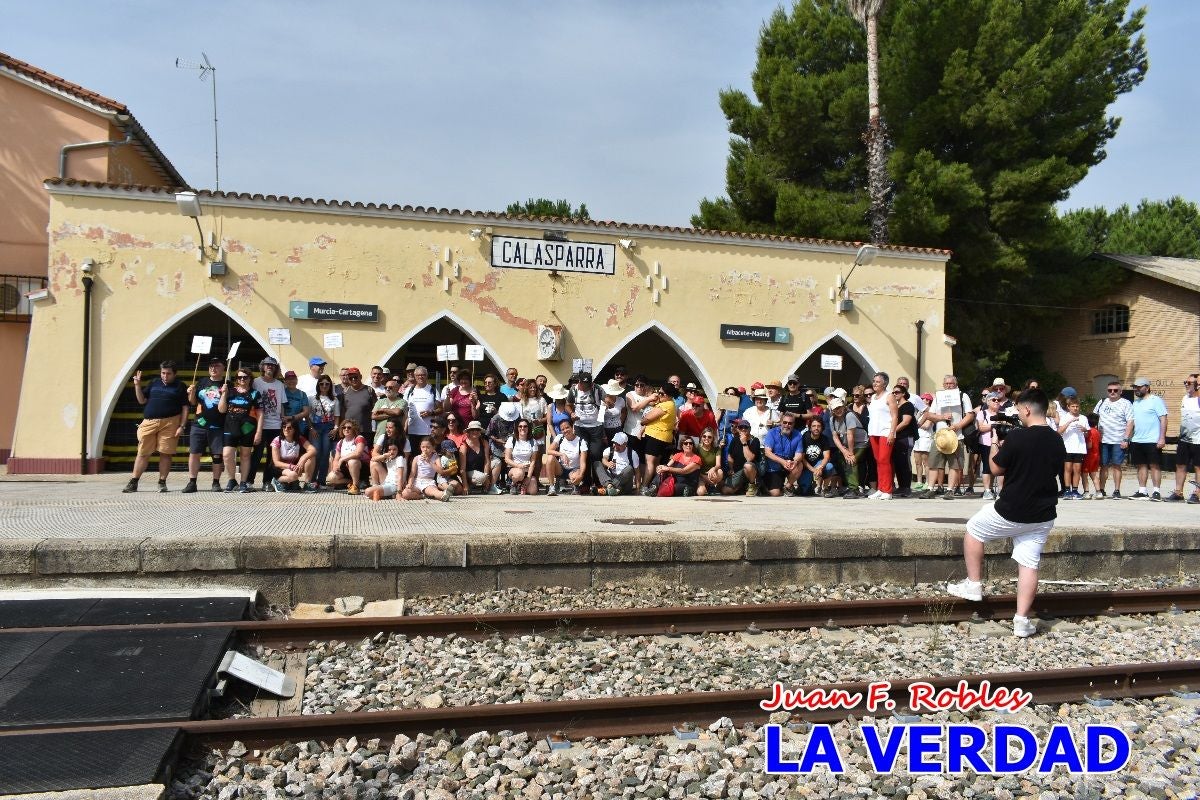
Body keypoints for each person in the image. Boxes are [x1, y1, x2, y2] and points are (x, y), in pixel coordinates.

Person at [947, 388, 1066, 638]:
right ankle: (1022, 621)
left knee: (974, 530)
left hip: (1012, 508)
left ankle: (973, 584)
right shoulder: (1057, 439)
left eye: (1019, 410)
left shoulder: (1019, 437)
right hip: (1043, 513)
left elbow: (996, 468)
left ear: (1026, 409)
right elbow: (1054, 469)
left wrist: (993, 445)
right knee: (1029, 563)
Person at [123, 360, 190, 493]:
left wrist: (182, 426)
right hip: (149, 422)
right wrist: (137, 385)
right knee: (143, 453)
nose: (165, 376)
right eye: (163, 373)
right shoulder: (153, 383)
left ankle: (162, 482)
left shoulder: (180, 386)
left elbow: (185, 407)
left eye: (168, 374)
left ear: (174, 374)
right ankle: (134, 482)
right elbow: (142, 400)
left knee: (166, 453)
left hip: (171, 422)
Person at [919, 374, 974, 499]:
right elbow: (930, 415)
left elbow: (970, 415)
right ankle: (930, 489)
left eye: (951, 384)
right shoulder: (939, 397)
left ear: (956, 384)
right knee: (933, 463)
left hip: (956, 436)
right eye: (946, 384)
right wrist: (942, 417)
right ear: (943, 385)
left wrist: (958, 426)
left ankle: (950, 490)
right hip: (940, 436)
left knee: (954, 465)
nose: (949, 386)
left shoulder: (962, 395)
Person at [184, 357, 226, 493]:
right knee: (194, 453)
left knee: (217, 455)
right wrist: (191, 393)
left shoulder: (227, 384)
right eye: (211, 366)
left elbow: (223, 409)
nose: (213, 368)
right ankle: (192, 482)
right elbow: (193, 402)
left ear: (223, 368)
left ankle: (216, 482)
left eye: (217, 366)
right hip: (199, 424)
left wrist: (225, 394)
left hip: (218, 425)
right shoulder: (202, 381)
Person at [217, 367, 262, 493]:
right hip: (230, 426)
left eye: (245, 377)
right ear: (236, 379)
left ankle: (243, 482)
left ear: (250, 379)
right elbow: (221, 410)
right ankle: (232, 480)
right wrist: (224, 394)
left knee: (245, 455)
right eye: (239, 377)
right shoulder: (230, 391)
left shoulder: (254, 393)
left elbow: (260, 414)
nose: (242, 379)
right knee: (226, 455)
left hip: (248, 428)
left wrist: (259, 431)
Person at [249, 357, 287, 491]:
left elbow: (281, 404)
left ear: (275, 368)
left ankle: (267, 482)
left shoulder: (280, 384)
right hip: (260, 425)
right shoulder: (255, 382)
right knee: (257, 454)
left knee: (272, 457)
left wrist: (282, 419)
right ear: (263, 367)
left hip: (275, 425)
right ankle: (249, 481)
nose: (270, 367)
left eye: (272, 365)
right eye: (267, 364)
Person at [1128, 377, 1168, 500]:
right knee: (1141, 465)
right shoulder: (1135, 403)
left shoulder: (1156, 400)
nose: (1136, 389)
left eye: (1139, 387)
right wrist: (1127, 438)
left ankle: (1156, 492)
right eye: (1135, 387)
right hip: (1137, 440)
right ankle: (1142, 491)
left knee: (1154, 465)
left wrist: (1162, 438)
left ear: (1147, 387)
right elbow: (1132, 422)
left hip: (1152, 440)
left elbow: (1163, 419)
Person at [1093, 379, 1134, 498]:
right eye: (1110, 390)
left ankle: (1117, 490)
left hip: (1118, 440)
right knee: (1103, 465)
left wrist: (1126, 439)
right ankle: (1101, 489)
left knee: (1117, 465)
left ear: (1120, 391)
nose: (1112, 392)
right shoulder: (1102, 402)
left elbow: (1130, 422)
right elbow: (1094, 418)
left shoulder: (1126, 403)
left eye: (1115, 390)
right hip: (1103, 440)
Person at [864, 372, 898, 499]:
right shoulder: (873, 398)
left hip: (885, 432)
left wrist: (892, 433)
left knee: (884, 460)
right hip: (874, 432)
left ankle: (887, 491)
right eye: (874, 381)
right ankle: (881, 488)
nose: (875, 383)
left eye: (878, 381)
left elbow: (895, 416)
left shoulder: (889, 396)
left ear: (884, 383)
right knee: (878, 461)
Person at [640, 384, 679, 495]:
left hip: (656, 436)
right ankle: (654, 486)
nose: (658, 395)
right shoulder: (670, 404)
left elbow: (645, 419)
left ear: (668, 395)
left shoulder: (665, 405)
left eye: (661, 393)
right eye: (658, 392)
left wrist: (644, 420)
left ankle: (644, 487)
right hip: (663, 438)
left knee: (650, 463)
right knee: (656, 463)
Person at [1167, 374, 1200, 503]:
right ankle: (1178, 492)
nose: (1186, 384)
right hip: (1184, 438)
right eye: (1185, 382)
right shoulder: (1185, 398)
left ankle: (1197, 493)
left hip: (1198, 440)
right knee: (1180, 465)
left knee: (1198, 467)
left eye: (1189, 383)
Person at [828, 398, 866, 498]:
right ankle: (849, 486)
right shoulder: (832, 420)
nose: (838, 410)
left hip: (860, 443)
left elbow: (850, 435)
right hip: (847, 444)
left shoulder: (849, 416)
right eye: (835, 408)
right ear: (832, 410)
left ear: (844, 407)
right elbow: (835, 437)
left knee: (850, 460)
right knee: (839, 459)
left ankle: (854, 489)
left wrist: (850, 453)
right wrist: (844, 451)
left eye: (840, 407)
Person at [761, 412, 805, 497]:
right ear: (781, 422)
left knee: (800, 465)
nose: (787, 425)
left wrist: (795, 462)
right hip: (773, 468)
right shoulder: (771, 433)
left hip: (788, 465)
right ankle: (764, 486)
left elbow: (799, 454)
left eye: (790, 423)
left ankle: (787, 487)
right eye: (784, 422)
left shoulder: (798, 435)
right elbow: (767, 452)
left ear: (793, 424)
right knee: (775, 493)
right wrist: (782, 462)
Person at [404, 366, 438, 468]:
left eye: (423, 375)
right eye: (418, 375)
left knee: (428, 456)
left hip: (427, 431)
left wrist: (430, 412)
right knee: (413, 457)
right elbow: (405, 410)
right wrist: (404, 428)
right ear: (414, 376)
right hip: (412, 431)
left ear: (427, 376)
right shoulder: (409, 391)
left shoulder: (433, 390)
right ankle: (413, 479)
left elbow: (440, 409)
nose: (421, 377)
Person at [1056, 395, 1090, 499]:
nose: (1075, 408)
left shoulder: (1083, 418)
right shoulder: (1065, 417)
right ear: (1068, 407)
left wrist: (1085, 430)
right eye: (1073, 406)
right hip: (1067, 447)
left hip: (1079, 447)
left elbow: (1087, 434)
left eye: (1077, 406)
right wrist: (1070, 422)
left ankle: (1075, 490)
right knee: (1067, 469)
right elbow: (1059, 432)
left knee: (1077, 470)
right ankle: (1067, 490)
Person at [270, 419, 317, 492]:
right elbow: (276, 463)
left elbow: (313, 450)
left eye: (289, 428)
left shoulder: (299, 439)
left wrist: (303, 458)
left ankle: (307, 484)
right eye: (284, 427)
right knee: (293, 476)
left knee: (311, 457)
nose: (286, 429)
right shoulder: (277, 440)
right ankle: (276, 480)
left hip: (295, 466)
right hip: (280, 468)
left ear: (295, 429)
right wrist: (291, 466)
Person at [974, 391, 1005, 500]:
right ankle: (987, 490)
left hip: (1001, 443)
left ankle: (1001, 490)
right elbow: (981, 428)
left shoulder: (1003, 413)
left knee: (1001, 467)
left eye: (998, 400)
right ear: (988, 401)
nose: (997, 401)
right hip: (986, 443)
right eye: (994, 400)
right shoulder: (982, 413)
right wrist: (995, 424)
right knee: (987, 467)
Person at [401, 438, 453, 502]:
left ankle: (443, 495)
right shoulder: (417, 458)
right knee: (405, 494)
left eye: (428, 447)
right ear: (420, 447)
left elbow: (441, 471)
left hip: (428, 482)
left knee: (434, 492)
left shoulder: (436, 457)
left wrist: (429, 462)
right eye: (423, 447)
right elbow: (412, 474)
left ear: (433, 447)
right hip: (417, 481)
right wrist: (410, 483)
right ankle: (423, 496)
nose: (425, 449)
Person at [545, 418, 589, 495]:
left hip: (574, 469)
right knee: (550, 458)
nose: (565, 430)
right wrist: (562, 454)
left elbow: (583, 462)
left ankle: (576, 486)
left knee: (576, 476)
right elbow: (548, 451)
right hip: (561, 469)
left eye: (567, 427)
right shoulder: (560, 437)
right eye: (563, 429)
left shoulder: (581, 441)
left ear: (572, 427)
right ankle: (552, 487)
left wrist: (581, 475)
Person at [310, 375, 339, 487]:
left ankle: (321, 480)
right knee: (316, 453)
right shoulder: (312, 398)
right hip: (316, 427)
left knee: (325, 454)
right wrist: (311, 428)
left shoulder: (334, 400)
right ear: (318, 385)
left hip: (328, 428)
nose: (324, 386)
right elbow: (308, 415)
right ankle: (312, 480)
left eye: (327, 384)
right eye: (322, 383)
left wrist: (336, 428)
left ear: (330, 385)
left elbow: (337, 416)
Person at [327, 419, 368, 495]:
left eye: (349, 427)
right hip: (346, 468)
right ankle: (353, 482)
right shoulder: (341, 442)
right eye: (343, 427)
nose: (346, 429)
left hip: (360, 467)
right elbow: (336, 458)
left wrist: (342, 459)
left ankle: (356, 487)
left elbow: (358, 453)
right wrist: (335, 467)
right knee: (331, 478)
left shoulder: (359, 438)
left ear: (354, 429)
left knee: (352, 461)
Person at [721, 419, 761, 496]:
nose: (743, 429)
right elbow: (730, 456)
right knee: (725, 490)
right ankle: (742, 487)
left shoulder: (755, 440)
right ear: (738, 429)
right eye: (741, 427)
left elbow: (749, 459)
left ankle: (752, 485)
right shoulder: (735, 440)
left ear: (750, 429)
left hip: (751, 472)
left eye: (746, 427)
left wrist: (744, 443)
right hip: (738, 472)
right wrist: (731, 468)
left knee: (747, 465)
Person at [797, 417, 835, 496]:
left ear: (822, 427)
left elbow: (826, 457)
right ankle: (809, 486)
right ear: (810, 427)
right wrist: (813, 470)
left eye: (819, 426)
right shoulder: (804, 437)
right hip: (806, 466)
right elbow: (802, 458)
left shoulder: (824, 439)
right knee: (804, 492)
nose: (816, 428)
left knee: (829, 466)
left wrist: (820, 467)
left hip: (818, 464)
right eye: (814, 426)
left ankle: (825, 489)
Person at [890, 385, 916, 498]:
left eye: (897, 392)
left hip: (906, 437)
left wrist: (892, 431)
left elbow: (905, 422)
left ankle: (906, 487)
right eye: (893, 392)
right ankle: (901, 486)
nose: (895, 394)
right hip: (897, 438)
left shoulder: (908, 405)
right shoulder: (895, 406)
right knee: (897, 462)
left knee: (905, 462)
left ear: (904, 393)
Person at [595, 431, 639, 496]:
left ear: (625, 444)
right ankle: (611, 488)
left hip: (625, 482)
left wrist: (638, 489)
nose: (615, 446)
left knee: (629, 468)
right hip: (611, 477)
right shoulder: (609, 450)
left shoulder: (632, 453)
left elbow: (637, 472)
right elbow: (604, 459)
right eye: (614, 443)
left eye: (618, 444)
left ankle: (608, 488)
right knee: (597, 463)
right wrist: (607, 463)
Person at [504, 419, 541, 495]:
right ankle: (513, 484)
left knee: (533, 491)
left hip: (527, 471)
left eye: (525, 426)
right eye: (520, 426)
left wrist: (528, 478)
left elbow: (533, 462)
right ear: (517, 428)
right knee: (519, 473)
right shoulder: (512, 440)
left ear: (528, 428)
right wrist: (518, 466)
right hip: (514, 469)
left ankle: (521, 485)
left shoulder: (533, 441)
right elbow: (507, 459)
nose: (522, 428)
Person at [460, 420, 495, 494]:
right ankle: (471, 484)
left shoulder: (484, 442)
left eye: (477, 430)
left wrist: (487, 476)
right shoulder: (464, 446)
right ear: (468, 432)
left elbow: (487, 460)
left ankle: (491, 486)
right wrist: (465, 485)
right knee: (480, 478)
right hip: (469, 472)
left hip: (482, 470)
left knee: (497, 462)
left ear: (480, 432)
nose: (475, 431)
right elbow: (462, 469)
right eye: (472, 430)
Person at [371, 378, 408, 448]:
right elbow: (373, 416)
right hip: (379, 438)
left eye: (390, 387)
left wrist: (383, 410)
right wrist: (391, 414)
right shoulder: (380, 401)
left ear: (397, 389)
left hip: (396, 439)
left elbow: (397, 412)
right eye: (386, 387)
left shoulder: (402, 402)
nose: (387, 389)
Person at [368, 418, 404, 490]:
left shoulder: (405, 440)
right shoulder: (383, 437)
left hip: (398, 474)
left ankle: (396, 489)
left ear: (397, 429)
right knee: (373, 462)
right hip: (386, 472)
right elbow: (374, 453)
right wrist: (384, 457)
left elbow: (405, 460)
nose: (387, 430)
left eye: (390, 428)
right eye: (386, 427)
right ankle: (375, 486)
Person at [281, 370, 312, 437]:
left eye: (293, 379)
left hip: (299, 427)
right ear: (285, 381)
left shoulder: (302, 394)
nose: (291, 381)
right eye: (288, 379)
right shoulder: (282, 392)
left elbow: (306, 412)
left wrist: (290, 417)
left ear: (297, 380)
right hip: (285, 427)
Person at [695, 427, 724, 495]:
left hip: (712, 474)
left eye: (709, 437)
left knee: (720, 472)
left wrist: (713, 468)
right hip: (701, 475)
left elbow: (718, 464)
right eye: (704, 436)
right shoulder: (697, 448)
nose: (706, 438)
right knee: (700, 492)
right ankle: (708, 487)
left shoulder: (717, 449)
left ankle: (712, 485)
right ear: (701, 437)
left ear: (713, 438)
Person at [600, 380, 626, 444]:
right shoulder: (602, 401)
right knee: (607, 449)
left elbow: (624, 412)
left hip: (618, 429)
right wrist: (603, 435)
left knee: (617, 447)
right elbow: (600, 419)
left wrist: (620, 422)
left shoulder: (621, 400)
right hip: (604, 430)